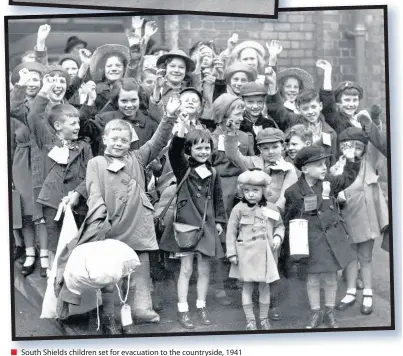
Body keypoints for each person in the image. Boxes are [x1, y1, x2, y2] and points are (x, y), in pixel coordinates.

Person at [55, 97, 180, 334]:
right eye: (114, 139)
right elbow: (93, 192)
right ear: (105, 140)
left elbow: (159, 139)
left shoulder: (138, 157)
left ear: (131, 142)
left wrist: (170, 115)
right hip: (109, 226)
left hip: (136, 225)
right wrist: (101, 219)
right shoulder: (96, 163)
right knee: (109, 277)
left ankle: (132, 316)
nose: (119, 144)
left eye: (125, 140)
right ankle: (109, 319)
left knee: (135, 275)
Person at [159, 119, 227, 330]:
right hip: (186, 225)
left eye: (207, 147)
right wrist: (180, 133)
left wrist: (219, 221)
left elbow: (218, 199)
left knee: (205, 269)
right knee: (186, 269)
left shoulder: (213, 172)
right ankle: (183, 309)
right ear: (189, 150)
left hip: (206, 225)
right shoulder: (183, 169)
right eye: (198, 147)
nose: (203, 151)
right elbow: (174, 151)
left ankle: (201, 306)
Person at [284, 146, 361, 329]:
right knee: (312, 278)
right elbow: (290, 219)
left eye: (324, 163)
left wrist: (351, 161)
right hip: (310, 241)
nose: (324, 167)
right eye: (318, 165)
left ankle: (329, 311)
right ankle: (315, 312)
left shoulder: (329, 182)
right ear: (304, 169)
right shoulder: (293, 192)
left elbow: (347, 178)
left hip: (331, 240)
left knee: (330, 277)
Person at [25, 74, 92, 259]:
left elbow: (90, 175)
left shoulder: (84, 146)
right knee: (57, 249)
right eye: (73, 123)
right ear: (57, 126)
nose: (78, 126)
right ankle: (54, 280)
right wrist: (44, 91)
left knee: (77, 247)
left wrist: (78, 194)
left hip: (79, 205)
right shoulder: (47, 141)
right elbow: (33, 116)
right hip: (53, 204)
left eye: (78, 122)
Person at [334, 128, 388, 316]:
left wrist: (371, 123)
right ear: (341, 147)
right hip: (345, 218)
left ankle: (367, 293)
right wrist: (336, 194)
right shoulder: (338, 166)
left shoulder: (369, 161)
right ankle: (350, 293)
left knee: (365, 257)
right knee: (349, 258)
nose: (354, 151)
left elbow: (379, 142)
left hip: (366, 219)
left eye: (358, 147)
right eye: (348, 146)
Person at [226, 169, 284, 330]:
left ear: (264, 191)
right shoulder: (238, 209)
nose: (250, 194)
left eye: (255, 190)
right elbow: (231, 232)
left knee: (265, 286)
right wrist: (231, 253)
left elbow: (280, 226)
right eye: (246, 190)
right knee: (247, 287)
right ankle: (250, 320)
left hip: (266, 255)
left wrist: (278, 237)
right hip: (246, 255)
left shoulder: (272, 208)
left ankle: (264, 318)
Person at [79, 78, 158, 156]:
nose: (129, 105)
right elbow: (82, 128)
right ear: (116, 101)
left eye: (133, 100)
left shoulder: (150, 125)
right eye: (124, 101)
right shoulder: (105, 119)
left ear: (139, 99)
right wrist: (90, 101)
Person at [295, 87, 338, 167]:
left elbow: (333, 161)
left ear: (320, 106)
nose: (310, 112)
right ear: (299, 110)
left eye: (313, 107)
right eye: (305, 109)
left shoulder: (331, 133)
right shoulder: (296, 130)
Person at [239, 82, 278, 152]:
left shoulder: (269, 124)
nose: (255, 106)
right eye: (250, 102)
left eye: (260, 102)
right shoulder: (239, 123)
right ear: (243, 101)